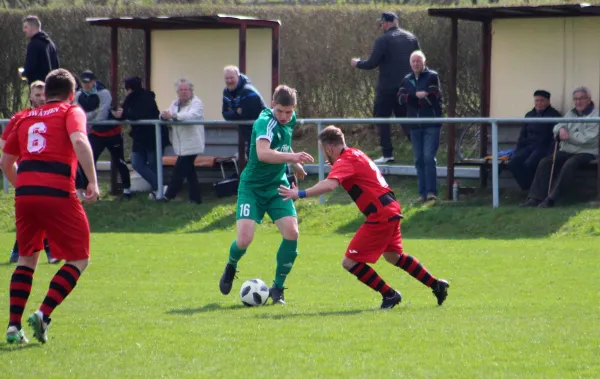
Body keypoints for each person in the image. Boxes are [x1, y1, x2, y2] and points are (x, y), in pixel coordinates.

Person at [278, 125, 449, 309]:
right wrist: (337, 164)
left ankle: (390, 295)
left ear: (329, 149)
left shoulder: (345, 161)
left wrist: (300, 194)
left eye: (324, 152)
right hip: (391, 207)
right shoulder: (355, 153)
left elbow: (329, 185)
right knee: (393, 257)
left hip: (380, 214)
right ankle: (436, 284)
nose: (325, 156)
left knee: (349, 262)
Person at [0, 68, 99, 345]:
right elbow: (79, 140)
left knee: (26, 258)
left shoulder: (24, 117)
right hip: (57, 191)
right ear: (71, 93)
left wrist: (24, 188)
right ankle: (43, 313)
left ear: (47, 93)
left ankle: (13, 327)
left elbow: (5, 163)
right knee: (80, 258)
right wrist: (93, 181)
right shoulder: (71, 111)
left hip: (26, 194)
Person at [218, 85, 314, 305]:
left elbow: (284, 144)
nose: (284, 116)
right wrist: (293, 158)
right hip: (251, 187)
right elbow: (263, 154)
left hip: (277, 186)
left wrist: (295, 163)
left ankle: (278, 288)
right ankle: (232, 264)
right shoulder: (265, 122)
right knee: (244, 239)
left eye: (288, 112)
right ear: (272, 104)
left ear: (294, 109)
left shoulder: (290, 119)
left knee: (292, 233)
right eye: (280, 111)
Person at [1, 81, 58, 264]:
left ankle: (22, 253)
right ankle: (46, 252)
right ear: (31, 96)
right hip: (26, 173)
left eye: (43, 95)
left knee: (41, 213)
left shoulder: (55, 116)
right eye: (37, 94)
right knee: (32, 215)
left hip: (48, 173)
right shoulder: (20, 117)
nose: (41, 98)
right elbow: (4, 143)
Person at [351, 11, 421, 163]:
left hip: (387, 88)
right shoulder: (411, 38)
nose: (381, 26)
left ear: (386, 23)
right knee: (407, 120)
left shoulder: (383, 40)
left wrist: (357, 63)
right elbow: (419, 61)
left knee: (382, 119)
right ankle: (422, 151)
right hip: (406, 87)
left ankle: (388, 154)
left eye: (381, 23)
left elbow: (372, 63)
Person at [521, 86, 599, 207]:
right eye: (576, 99)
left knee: (570, 164)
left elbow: (587, 139)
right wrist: (561, 129)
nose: (578, 102)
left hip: (586, 152)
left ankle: (551, 199)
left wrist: (567, 135)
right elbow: (557, 126)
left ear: (589, 99)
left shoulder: (596, 116)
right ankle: (534, 198)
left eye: (582, 98)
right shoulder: (570, 113)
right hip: (567, 150)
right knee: (545, 162)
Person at [75, 70, 132, 198]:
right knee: (89, 161)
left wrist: (88, 117)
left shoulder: (104, 93)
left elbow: (102, 116)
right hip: (96, 133)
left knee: (119, 162)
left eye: (89, 83)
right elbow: (77, 113)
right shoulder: (78, 95)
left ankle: (127, 190)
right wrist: (92, 115)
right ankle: (91, 190)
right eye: (84, 82)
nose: (86, 85)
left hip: (112, 133)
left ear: (94, 82)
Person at [399, 50, 443, 203]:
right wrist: (415, 96)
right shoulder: (406, 79)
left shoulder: (432, 76)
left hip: (431, 123)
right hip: (414, 125)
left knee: (428, 157)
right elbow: (400, 99)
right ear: (410, 64)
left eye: (419, 61)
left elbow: (433, 98)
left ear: (424, 62)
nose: (416, 64)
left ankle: (432, 192)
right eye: (413, 61)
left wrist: (414, 98)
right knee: (418, 159)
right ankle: (422, 194)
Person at [112, 76, 163, 199]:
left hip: (152, 135)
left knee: (152, 165)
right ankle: (159, 187)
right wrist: (118, 115)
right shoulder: (130, 99)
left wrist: (123, 114)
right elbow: (126, 114)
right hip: (139, 137)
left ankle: (158, 191)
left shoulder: (147, 98)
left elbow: (138, 115)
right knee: (136, 163)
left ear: (130, 88)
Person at [160, 78, 205, 204]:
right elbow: (168, 114)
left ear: (191, 91)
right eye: (181, 90)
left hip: (193, 143)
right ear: (177, 92)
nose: (183, 92)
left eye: (186, 89)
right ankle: (195, 199)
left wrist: (174, 116)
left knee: (178, 170)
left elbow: (192, 116)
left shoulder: (197, 102)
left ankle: (168, 196)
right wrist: (163, 116)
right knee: (189, 172)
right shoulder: (174, 103)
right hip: (179, 143)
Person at [507, 90, 562, 191]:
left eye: (542, 100)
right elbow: (522, 135)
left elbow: (554, 138)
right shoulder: (529, 115)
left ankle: (535, 191)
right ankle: (527, 189)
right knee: (513, 163)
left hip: (543, 148)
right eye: (537, 101)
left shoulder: (554, 115)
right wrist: (518, 150)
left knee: (530, 164)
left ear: (548, 101)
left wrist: (551, 153)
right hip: (528, 147)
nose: (539, 103)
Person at [222, 66, 267, 159]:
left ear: (238, 76)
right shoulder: (226, 93)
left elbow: (247, 114)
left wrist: (235, 112)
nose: (229, 80)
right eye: (227, 78)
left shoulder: (248, 91)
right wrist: (237, 112)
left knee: (263, 159)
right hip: (248, 133)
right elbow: (225, 114)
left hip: (263, 130)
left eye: (232, 77)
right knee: (254, 159)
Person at [20, 15, 59, 84]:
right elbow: (56, 67)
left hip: (38, 87)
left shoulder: (33, 44)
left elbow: (30, 67)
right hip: (51, 86)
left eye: (26, 27)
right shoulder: (51, 44)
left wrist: (23, 73)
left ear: (34, 27)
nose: (24, 30)